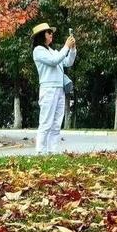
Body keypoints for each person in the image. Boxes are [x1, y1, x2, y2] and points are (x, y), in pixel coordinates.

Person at [32, 22, 77, 155]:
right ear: (42, 35)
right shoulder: (38, 51)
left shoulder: (53, 51)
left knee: (56, 123)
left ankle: (52, 150)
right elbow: (54, 61)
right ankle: (40, 151)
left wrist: (72, 49)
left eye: (51, 32)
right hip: (48, 88)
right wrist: (66, 47)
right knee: (46, 121)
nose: (51, 35)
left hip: (59, 89)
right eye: (49, 32)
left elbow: (68, 62)